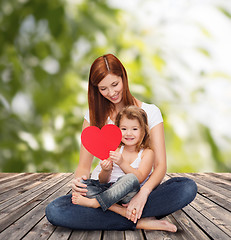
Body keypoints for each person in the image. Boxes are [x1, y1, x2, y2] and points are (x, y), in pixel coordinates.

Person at [46, 54, 197, 231]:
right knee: (55, 210)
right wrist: (79, 183)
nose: (111, 93)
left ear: (123, 78)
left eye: (115, 84)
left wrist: (142, 195)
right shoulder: (93, 115)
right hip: (102, 189)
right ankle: (138, 220)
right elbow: (83, 167)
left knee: (186, 187)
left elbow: (160, 166)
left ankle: (123, 211)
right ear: (96, 89)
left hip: (138, 190)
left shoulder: (150, 112)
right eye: (103, 88)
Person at [72, 106, 154, 217]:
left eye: (134, 129)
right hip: (108, 191)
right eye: (124, 129)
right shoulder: (116, 149)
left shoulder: (147, 153)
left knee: (131, 179)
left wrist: (122, 162)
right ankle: (115, 208)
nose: (128, 133)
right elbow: (103, 181)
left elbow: (139, 178)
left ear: (143, 131)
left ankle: (95, 203)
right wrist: (106, 170)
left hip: (128, 194)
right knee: (82, 184)